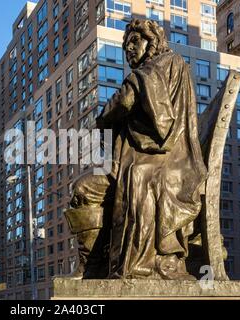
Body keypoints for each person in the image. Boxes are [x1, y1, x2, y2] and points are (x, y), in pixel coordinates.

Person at [67, 19, 207, 280]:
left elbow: (126, 100)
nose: (129, 48)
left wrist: (103, 119)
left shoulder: (166, 63)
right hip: (129, 162)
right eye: (126, 45)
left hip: (165, 161)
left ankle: (137, 263)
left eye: (135, 41)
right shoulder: (148, 70)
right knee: (82, 189)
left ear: (152, 41)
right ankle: (92, 265)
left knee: (138, 178)